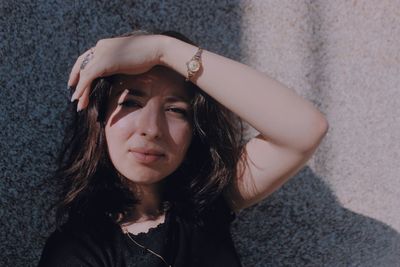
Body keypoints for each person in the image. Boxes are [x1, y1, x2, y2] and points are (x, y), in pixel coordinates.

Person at [38, 29, 328, 267]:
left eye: (176, 110)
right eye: (131, 103)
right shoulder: (77, 251)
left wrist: (163, 50)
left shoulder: (207, 205)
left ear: (195, 129)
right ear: (99, 118)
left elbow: (305, 129)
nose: (151, 129)